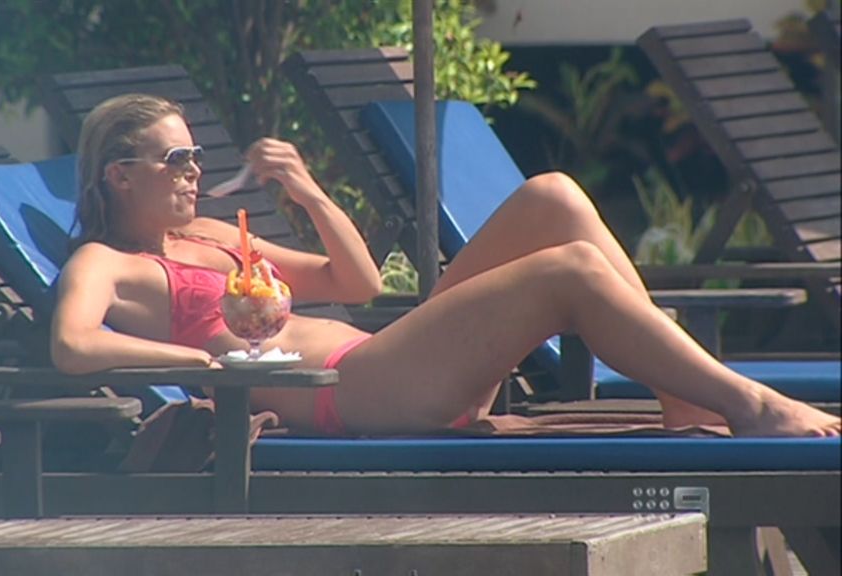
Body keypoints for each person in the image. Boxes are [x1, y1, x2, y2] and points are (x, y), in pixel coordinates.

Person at [51, 93, 840, 438]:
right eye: (176, 159)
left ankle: (685, 401)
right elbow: (73, 345)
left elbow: (358, 284)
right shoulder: (106, 263)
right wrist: (197, 362)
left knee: (553, 197)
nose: (194, 170)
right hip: (352, 395)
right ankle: (747, 403)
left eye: (195, 155)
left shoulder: (219, 235)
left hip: (386, 360)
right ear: (120, 175)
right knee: (569, 270)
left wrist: (309, 191)